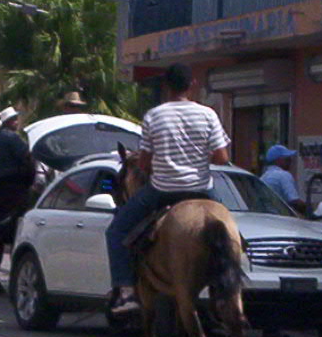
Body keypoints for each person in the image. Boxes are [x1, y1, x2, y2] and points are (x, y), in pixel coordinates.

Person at [105, 63, 230, 315]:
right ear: (192, 85)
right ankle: (226, 290)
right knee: (230, 234)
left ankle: (126, 291)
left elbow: (145, 164)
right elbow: (222, 158)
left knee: (116, 230)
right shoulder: (208, 114)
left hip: (162, 190)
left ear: (166, 86)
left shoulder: (154, 116)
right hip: (201, 190)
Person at [261, 144, 306, 214]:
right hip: (281, 219)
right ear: (278, 160)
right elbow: (294, 201)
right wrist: (309, 211)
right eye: (287, 159)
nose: (290, 161)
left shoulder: (263, 177)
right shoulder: (283, 175)